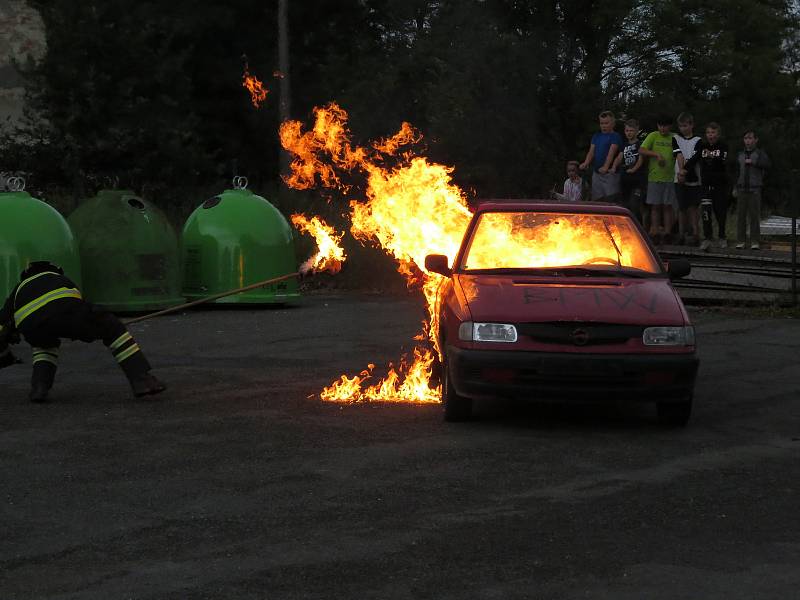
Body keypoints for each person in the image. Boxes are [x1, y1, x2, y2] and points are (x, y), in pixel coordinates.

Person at [0, 261, 166, 402]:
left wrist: (6, 349)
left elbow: (2, 324)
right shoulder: (60, 279)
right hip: (65, 311)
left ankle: (39, 388)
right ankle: (142, 380)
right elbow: (80, 308)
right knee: (111, 326)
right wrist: (78, 330)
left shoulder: (18, 289)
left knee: (44, 346)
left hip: (31, 327)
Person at [685, 122, 730, 251]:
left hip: (720, 185)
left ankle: (722, 237)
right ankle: (707, 238)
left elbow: (723, 160)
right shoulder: (702, 146)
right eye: (708, 133)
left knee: (720, 212)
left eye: (713, 133)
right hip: (705, 185)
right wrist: (684, 170)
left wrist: (713, 156)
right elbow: (694, 159)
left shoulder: (723, 146)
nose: (711, 135)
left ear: (718, 134)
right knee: (705, 212)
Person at [639, 114, 680, 244]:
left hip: (669, 177)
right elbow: (642, 150)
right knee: (655, 206)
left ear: (670, 126)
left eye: (665, 126)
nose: (662, 128)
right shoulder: (653, 136)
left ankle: (668, 232)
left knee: (668, 206)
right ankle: (655, 231)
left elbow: (680, 154)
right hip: (654, 177)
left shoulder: (675, 137)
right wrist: (656, 154)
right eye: (660, 126)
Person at [734, 130, 771, 249]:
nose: (748, 141)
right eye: (746, 138)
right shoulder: (740, 154)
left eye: (750, 138)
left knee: (754, 216)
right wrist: (735, 186)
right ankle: (741, 241)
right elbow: (736, 171)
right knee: (741, 216)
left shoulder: (760, 154)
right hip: (741, 189)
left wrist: (754, 162)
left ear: (756, 140)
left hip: (754, 189)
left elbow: (767, 165)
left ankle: (755, 241)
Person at [579, 110, 623, 202]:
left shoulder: (615, 136)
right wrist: (586, 162)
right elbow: (591, 151)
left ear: (613, 123)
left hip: (610, 174)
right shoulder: (596, 136)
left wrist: (606, 167)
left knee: (611, 199)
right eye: (601, 123)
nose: (603, 126)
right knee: (597, 199)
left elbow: (611, 152)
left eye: (606, 123)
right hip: (597, 174)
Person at [673, 112, 702, 245]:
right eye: (681, 126)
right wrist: (681, 172)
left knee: (693, 207)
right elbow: (678, 154)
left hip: (694, 178)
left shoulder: (698, 140)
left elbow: (696, 157)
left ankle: (695, 233)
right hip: (679, 178)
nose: (683, 128)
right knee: (681, 207)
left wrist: (684, 170)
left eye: (685, 125)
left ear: (691, 125)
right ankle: (681, 233)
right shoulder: (676, 138)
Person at [611, 118, 647, 221]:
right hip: (625, 179)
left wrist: (634, 169)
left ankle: (639, 226)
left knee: (635, 204)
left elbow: (641, 159)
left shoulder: (640, 144)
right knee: (625, 205)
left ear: (637, 131)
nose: (629, 133)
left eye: (631, 130)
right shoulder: (624, 145)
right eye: (627, 131)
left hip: (637, 179)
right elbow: (619, 157)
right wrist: (614, 166)